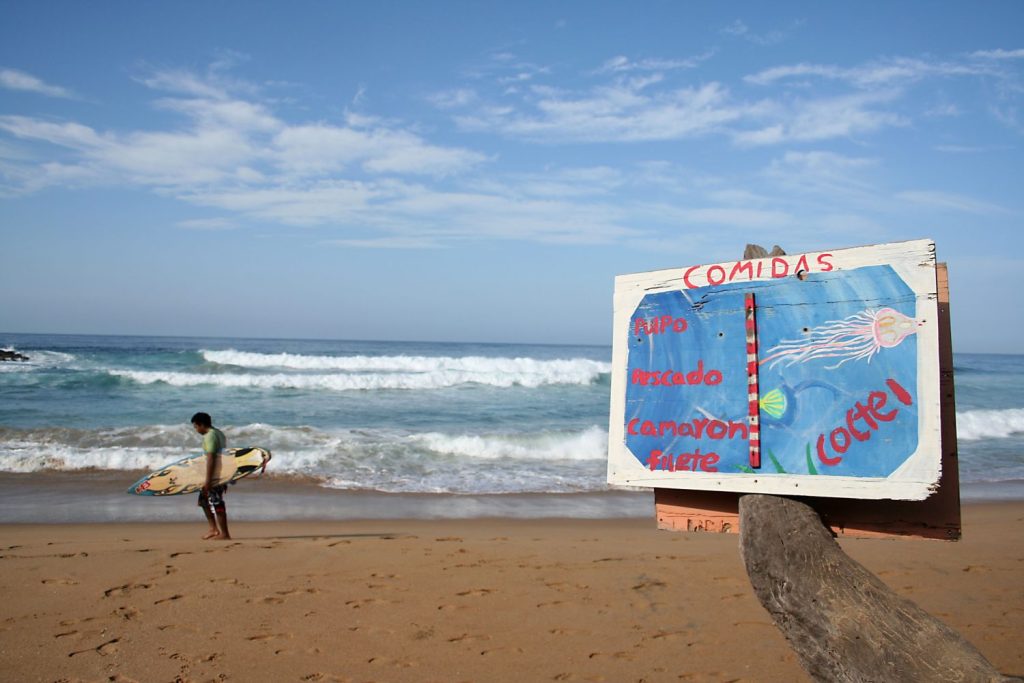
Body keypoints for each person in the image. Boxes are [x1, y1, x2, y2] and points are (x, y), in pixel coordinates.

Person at [191, 412, 231, 540]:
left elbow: (211, 458)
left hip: (215, 476)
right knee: (203, 500)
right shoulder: (218, 432)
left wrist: (208, 480)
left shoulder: (210, 436)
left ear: (202, 425)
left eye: (196, 427)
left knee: (217, 502)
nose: (196, 430)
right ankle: (213, 529)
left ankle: (224, 534)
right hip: (220, 473)